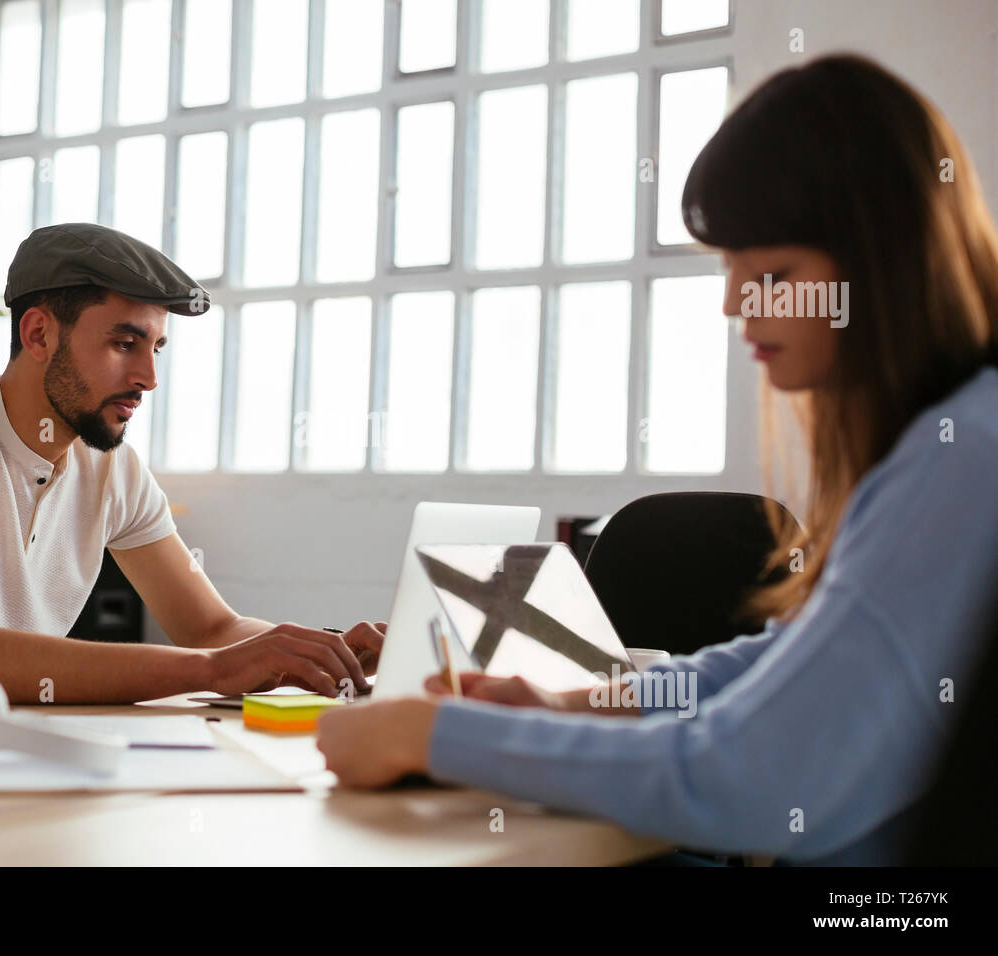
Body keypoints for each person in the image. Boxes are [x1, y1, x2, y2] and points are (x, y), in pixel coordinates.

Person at [317, 53, 998, 865]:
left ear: (887, 263)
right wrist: (581, 705)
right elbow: (787, 662)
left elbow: (751, 778)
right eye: (730, 271)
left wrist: (437, 735)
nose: (734, 304)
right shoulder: (951, 440)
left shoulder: (963, 460)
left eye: (773, 272)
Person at [0, 224, 383, 712]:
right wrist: (211, 670)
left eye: (156, 349)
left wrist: (319, 652)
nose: (148, 378)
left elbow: (211, 630)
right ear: (38, 334)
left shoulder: (111, 469)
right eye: (125, 344)